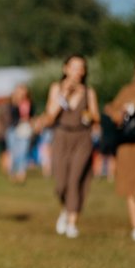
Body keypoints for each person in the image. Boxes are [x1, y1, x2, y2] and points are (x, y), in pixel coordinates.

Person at [44, 54, 100, 239]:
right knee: (61, 183)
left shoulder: (88, 91)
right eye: (74, 67)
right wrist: (65, 94)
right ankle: (65, 210)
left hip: (82, 138)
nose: (78, 72)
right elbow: (51, 116)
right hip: (61, 136)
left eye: (81, 68)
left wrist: (89, 116)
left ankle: (72, 224)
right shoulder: (56, 88)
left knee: (76, 180)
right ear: (65, 69)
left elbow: (96, 117)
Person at [104, 58, 135, 241]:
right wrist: (121, 113)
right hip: (130, 146)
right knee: (132, 187)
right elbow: (112, 111)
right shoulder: (128, 91)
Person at [5, 84, 35, 183]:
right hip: (13, 129)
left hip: (25, 129)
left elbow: (32, 116)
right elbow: (10, 117)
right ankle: (12, 172)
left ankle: (21, 172)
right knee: (14, 152)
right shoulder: (12, 103)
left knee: (23, 151)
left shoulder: (29, 103)